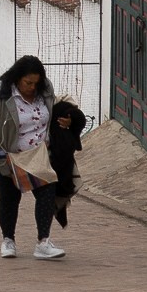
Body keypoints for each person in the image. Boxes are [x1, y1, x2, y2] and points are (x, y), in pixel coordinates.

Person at [0, 55, 64, 260]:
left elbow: (52, 112)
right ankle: (8, 240)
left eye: (36, 83)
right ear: (17, 79)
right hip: (10, 158)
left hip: (39, 156)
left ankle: (43, 242)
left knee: (47, 195)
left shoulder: (45, 90)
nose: (32, 87)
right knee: (9, 199)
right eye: (28, 83)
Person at [49, 97, 87, 229]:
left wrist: (72, 122)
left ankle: (43, 238)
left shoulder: (59, 104)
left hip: (54, 157)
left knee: (46, 198)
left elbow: (79, 118)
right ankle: (8, 238)